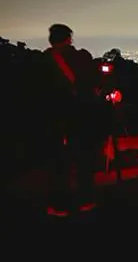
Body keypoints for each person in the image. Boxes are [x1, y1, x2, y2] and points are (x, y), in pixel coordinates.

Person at [42, 24, 101, 215]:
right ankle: (86, 198)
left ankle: (59, 203)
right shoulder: (82, 57)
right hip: (80, 115)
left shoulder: (45, 61)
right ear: (69, 39)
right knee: (83, 158)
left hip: (55, 117)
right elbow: (94, 82)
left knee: (58, 162)